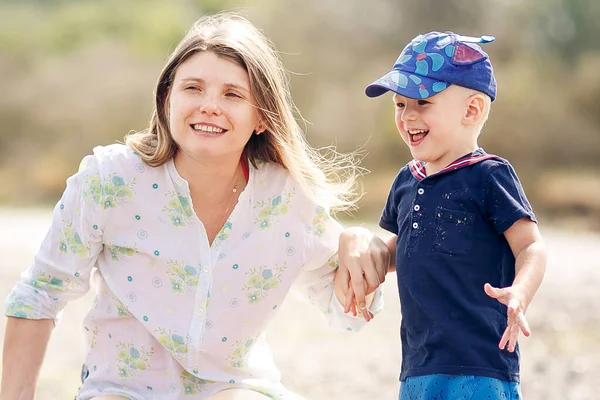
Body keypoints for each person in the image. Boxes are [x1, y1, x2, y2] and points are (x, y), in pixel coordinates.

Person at [0, 12, 389, 400]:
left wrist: (355, 239)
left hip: (236, 389)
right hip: (120, 390)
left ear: (261, 119)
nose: (209, 106)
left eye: (233, 95)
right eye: (193, 88)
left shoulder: (288, 197)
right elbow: (42, 293)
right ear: (168, 98)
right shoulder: (110, 179)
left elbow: (345, 308)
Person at [360, 31, 548, 399]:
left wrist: (519, 293)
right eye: (400, 104)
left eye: (423, 102)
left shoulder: (489, 175)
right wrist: (365, 262)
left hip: (480, 365)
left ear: (472, 110)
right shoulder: (406, 180)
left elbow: (531, 247)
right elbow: (400, 247)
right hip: (419, 361)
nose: (408, 116)